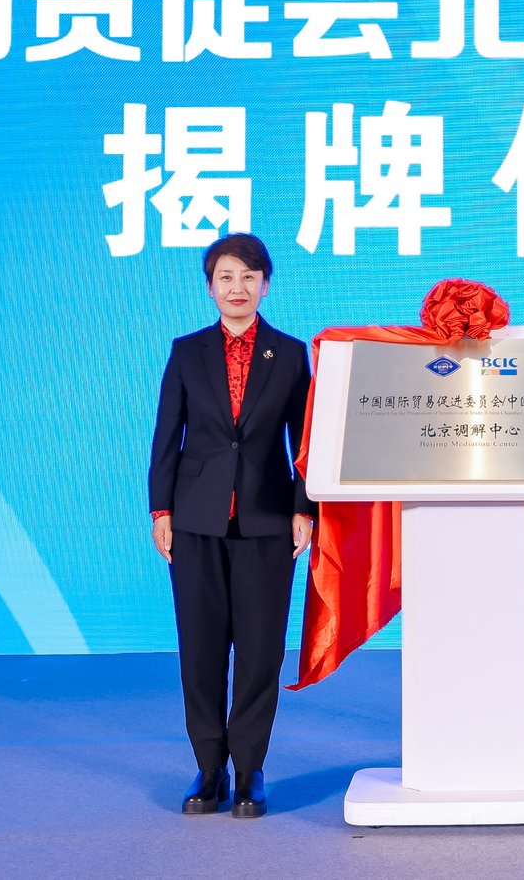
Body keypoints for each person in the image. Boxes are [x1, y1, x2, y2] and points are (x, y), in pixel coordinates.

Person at [148, 233, 316, 818]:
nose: (237, 287)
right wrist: (161, 510)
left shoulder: (289, 354)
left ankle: (249, 769)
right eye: (226, 277)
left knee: (261, 650)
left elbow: (305, 441)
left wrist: (303, 508)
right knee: (200, 648)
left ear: (265, 285)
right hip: (195, 519)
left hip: (267, 520)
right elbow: (167, 436)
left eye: (248, 276)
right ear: (210, 287)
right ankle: (208, 767)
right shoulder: (187, 352)